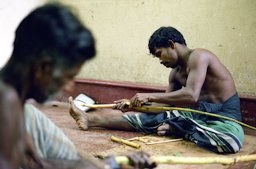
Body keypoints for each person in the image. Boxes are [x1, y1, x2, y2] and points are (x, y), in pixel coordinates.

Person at [0, 3, 156, 169]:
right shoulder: (5, 100)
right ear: (43, 68)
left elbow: (33, 164)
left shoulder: (19, 104)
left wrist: (108, 165)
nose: (68, 87)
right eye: (67, 77)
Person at [69, 26, 244, 154]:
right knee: (150, 119)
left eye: (159, 53)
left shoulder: (199, 56)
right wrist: (133, 105)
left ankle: (180, 128)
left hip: (224, 116)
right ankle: (88, 119)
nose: (160, 60)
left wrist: (150, 95)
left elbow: (191, 95)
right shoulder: (175, 74)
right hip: (196, 115)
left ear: (171, 44)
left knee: (231, 142)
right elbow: (164, 105)